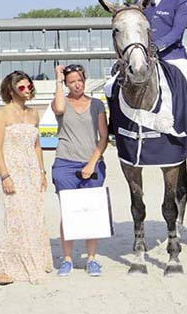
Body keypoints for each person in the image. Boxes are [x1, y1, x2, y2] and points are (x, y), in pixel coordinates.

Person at [0, 71, 52, 285]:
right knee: (14, 218)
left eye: (29, 87)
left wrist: (42, 172)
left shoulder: (34, 114)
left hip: (31, 171)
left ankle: (35, 258)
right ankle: (1, 267)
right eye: (22, 87)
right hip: (11, 169)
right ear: (11, 90)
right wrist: (5, 175)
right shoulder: (2, 114)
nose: (27, 91)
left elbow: (37, 145)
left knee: (33, 216)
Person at [52, 64, 109, 277]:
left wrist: (92, 163)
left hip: (92, 163)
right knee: (68, 212)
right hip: (65, 163)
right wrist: (58, 78)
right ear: (66, 84)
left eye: (80, 80)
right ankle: (67, 259)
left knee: (90, 213)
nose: (77, 84)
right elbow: (58, 109)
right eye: (71, 81)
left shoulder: (96, 104)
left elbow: (104, 137)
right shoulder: (62, 101)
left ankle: (91, 259)